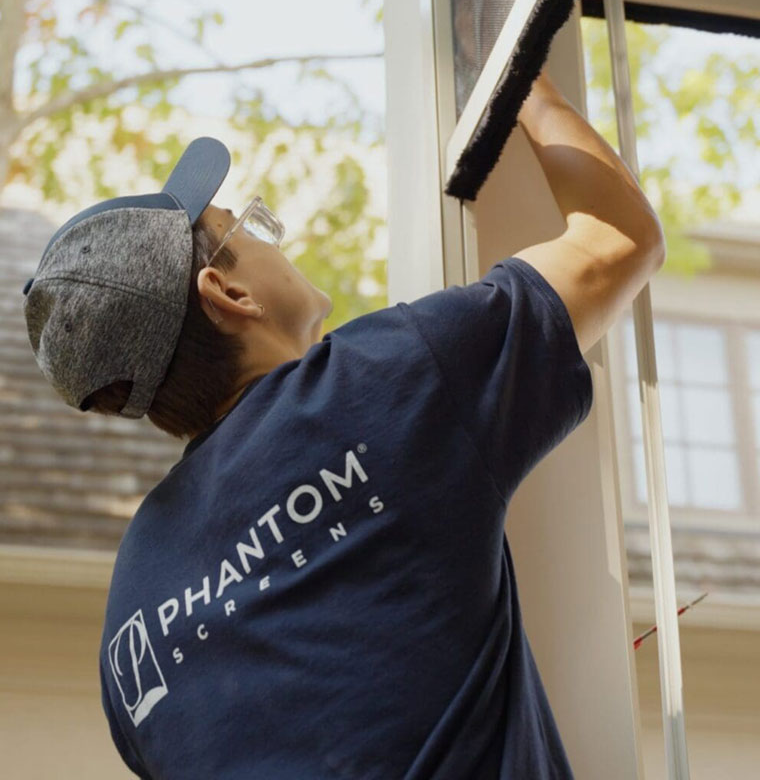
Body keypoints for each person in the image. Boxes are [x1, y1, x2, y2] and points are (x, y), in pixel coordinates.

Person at [22, 70, 664, 779]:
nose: (275, 239)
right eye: (246, 226)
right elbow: (618, 240)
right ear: (228, 292)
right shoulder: (379, 383)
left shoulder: (129, 621)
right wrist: (524, 78)